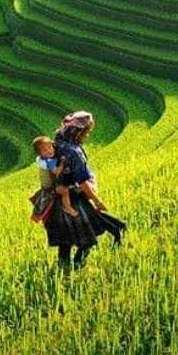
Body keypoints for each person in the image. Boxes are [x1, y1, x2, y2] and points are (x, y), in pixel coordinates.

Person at [43, 111, 126, 270]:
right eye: (86, 133)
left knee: (66, 237)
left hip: (58, 196)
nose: (87, 136)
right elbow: (82, 183)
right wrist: (97, 200)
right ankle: (76, 264)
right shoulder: (75, 153)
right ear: (78, 131)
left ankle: (66, 266)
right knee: (86, 232)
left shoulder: (58, 141)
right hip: (74, 195)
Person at [31, 136, 79, 222]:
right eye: (45, 150)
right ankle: (68, 208)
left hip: (49, 184)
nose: (49, 151)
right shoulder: (49, 162)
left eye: (50, 147)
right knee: (65, 191)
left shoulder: (42, 159)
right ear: (40, 154)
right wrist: (62, 163)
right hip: (51, 187)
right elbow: (56, 172)